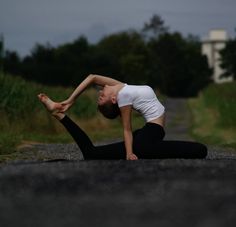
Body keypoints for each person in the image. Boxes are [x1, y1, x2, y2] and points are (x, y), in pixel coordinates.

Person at [38, 74, 207, 160]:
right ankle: (59, 115)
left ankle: (60, 112)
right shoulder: (123, 96)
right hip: (147, 136)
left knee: (200, 150)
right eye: (101, 97)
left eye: (100, 95)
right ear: (114, 100)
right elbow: (127, 128)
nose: (100, 91)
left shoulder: (122, 87)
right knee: (92, 154)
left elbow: (92, 78)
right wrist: (129, 153)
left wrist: (70, 100)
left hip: (150, 134)